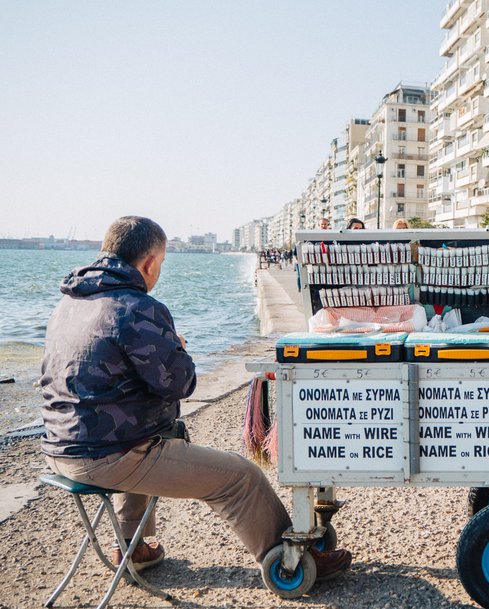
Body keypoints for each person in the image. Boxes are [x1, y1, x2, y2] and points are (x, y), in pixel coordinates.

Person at [40, 216, 352, 577]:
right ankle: (291, 557)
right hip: (108, 456)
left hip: (59, 448)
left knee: (155, 434)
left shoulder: (70, 302)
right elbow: (180, 384)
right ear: (149, 263)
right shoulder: (137, 308)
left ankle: (134, 545)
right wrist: (178, 347)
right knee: (240, 478)